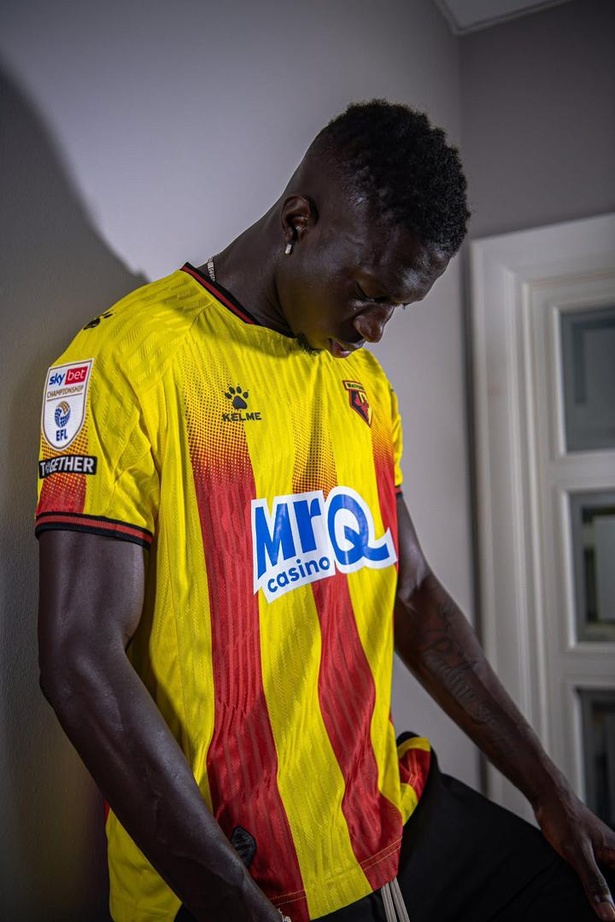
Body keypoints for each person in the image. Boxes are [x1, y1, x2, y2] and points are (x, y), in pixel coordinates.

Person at [36, 100, 615, 922]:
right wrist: (234, 904)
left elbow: (413, 594)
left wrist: (550, 791)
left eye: (396, 308)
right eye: (368, 294)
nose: (376, 330)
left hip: (388, 812)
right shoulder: (127, 361)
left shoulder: (359, 382)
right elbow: (78, 658)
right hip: (240, 874)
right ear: (298, 222)